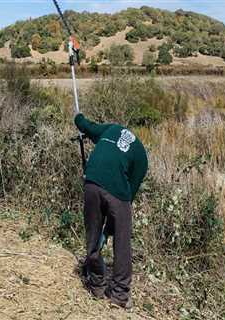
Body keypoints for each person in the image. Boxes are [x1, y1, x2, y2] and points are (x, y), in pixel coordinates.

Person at [75, 113, 148, 309]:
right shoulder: (141, 156)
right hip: (116, 189)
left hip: (91, 181)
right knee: (122, 242)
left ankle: (97, 285)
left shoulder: (110, 129)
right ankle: (120, 295)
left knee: (93, 235)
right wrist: (114, 225)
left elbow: (87, 126)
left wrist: (78, 118)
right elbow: (129, 193)